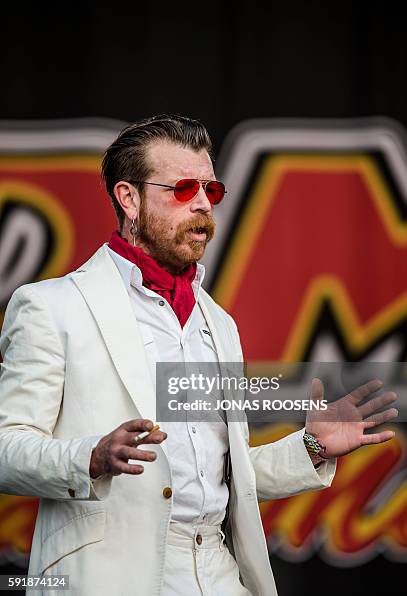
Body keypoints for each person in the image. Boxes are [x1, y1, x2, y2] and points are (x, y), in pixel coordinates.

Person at [0, 114, 398, 596]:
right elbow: (6, 449)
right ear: (129, 198)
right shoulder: (53, 306)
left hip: (217, 571)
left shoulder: (216, 322)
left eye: (212, 191)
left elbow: (218, 477)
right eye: (185, 188)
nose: (203, 204)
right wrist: (91, 456)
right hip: (110, 578)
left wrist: (311, 447)